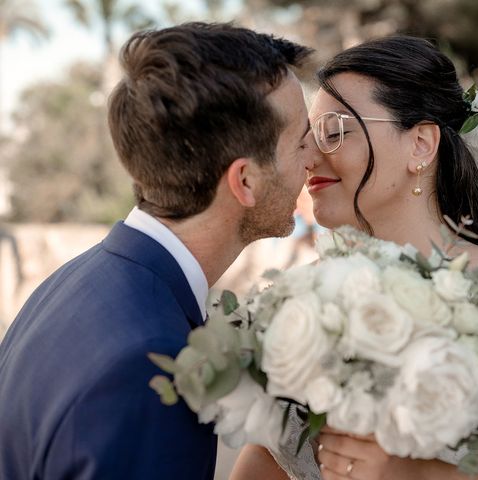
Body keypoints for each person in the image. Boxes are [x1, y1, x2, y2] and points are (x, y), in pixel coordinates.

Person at [230, 35, 478, 479]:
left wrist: (413, 474)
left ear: (421, 145)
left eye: (334, 132)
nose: (310, 156)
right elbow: (270, 454)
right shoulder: (305, 298)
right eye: (309, 137)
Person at [0, 23, 315, 479]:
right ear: (244, 180)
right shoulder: (150, 365)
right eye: (302, 139)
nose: (314, 157)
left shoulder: (78, 280)